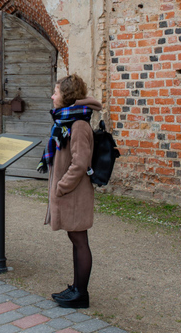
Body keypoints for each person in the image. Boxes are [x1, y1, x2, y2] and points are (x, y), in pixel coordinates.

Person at [37, 74, 101, 309]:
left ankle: (81, 294)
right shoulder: (65, 121)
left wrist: (61, 187)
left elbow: (80, 163)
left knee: (80, 240)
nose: (52, 96)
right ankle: (76, 287)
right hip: (70, 193)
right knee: (75, 239)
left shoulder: (78, 125)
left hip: (74, 193)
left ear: (66, 97)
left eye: (56, 92)